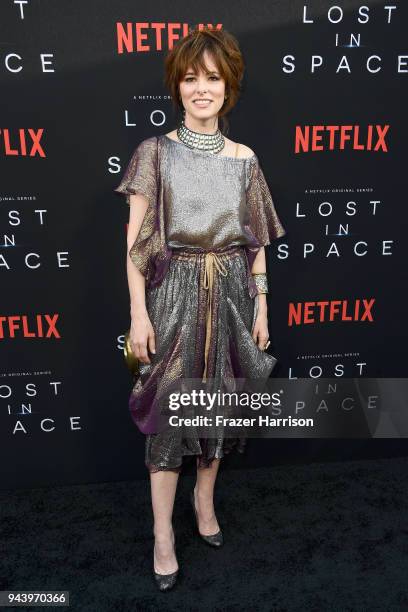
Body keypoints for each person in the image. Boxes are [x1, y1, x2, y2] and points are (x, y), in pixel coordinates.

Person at [114, 26, 286, 591]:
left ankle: (204, 503)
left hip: (231, 293)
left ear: (229, 85)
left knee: (216, 410)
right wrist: (139, 315)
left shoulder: (244, 159)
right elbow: (135, 245)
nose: (202, 88)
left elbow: (255, 242)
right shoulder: (154, 154)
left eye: (212, 78)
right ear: (178, 87)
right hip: (174, 296)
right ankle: (164, 533)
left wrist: (261, 305)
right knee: (169, 418)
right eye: (191, 79)